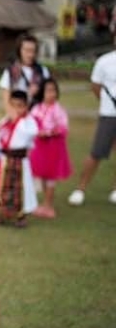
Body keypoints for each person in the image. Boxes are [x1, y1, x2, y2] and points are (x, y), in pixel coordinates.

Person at [68, 36, 116, 206]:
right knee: (97, 152)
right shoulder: (105, 61)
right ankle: (80, 189)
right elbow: (95, 86)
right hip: (109, 114)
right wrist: (106, 102)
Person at [0, 90, 38, 227]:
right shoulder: (4, 122)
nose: (16, 109)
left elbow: (29, 135)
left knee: (21, 189)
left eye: (20, 105)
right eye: (13, 105)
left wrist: (17, 120)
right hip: (5, 160)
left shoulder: (28, 122)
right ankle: (1, 214)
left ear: (26, 106)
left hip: (20, 161)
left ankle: (20, 216)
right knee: (1, 188)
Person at [29, 78, 73, 218]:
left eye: (54, 90)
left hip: (53, 147)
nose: (51, 94)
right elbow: (32, 124)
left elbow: (63, 127)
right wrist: (37, 132)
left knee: (50, 177)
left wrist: (50, 132)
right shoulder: (37, 108)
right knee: (41, 174)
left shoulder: (58, 110)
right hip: (40, 147)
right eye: (48, 90)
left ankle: (48, 205)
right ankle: (44, 204)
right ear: (42, 92)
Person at [0, 33, 49, 112]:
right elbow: (6, 101)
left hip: (39, 115)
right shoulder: (10, 71)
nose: (30, 54)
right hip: (18, 114)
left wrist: (39, 91)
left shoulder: (43, 71)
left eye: (33, 50)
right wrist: (16, 119)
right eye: (26, 50)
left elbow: (49, 96)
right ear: (19, 50)